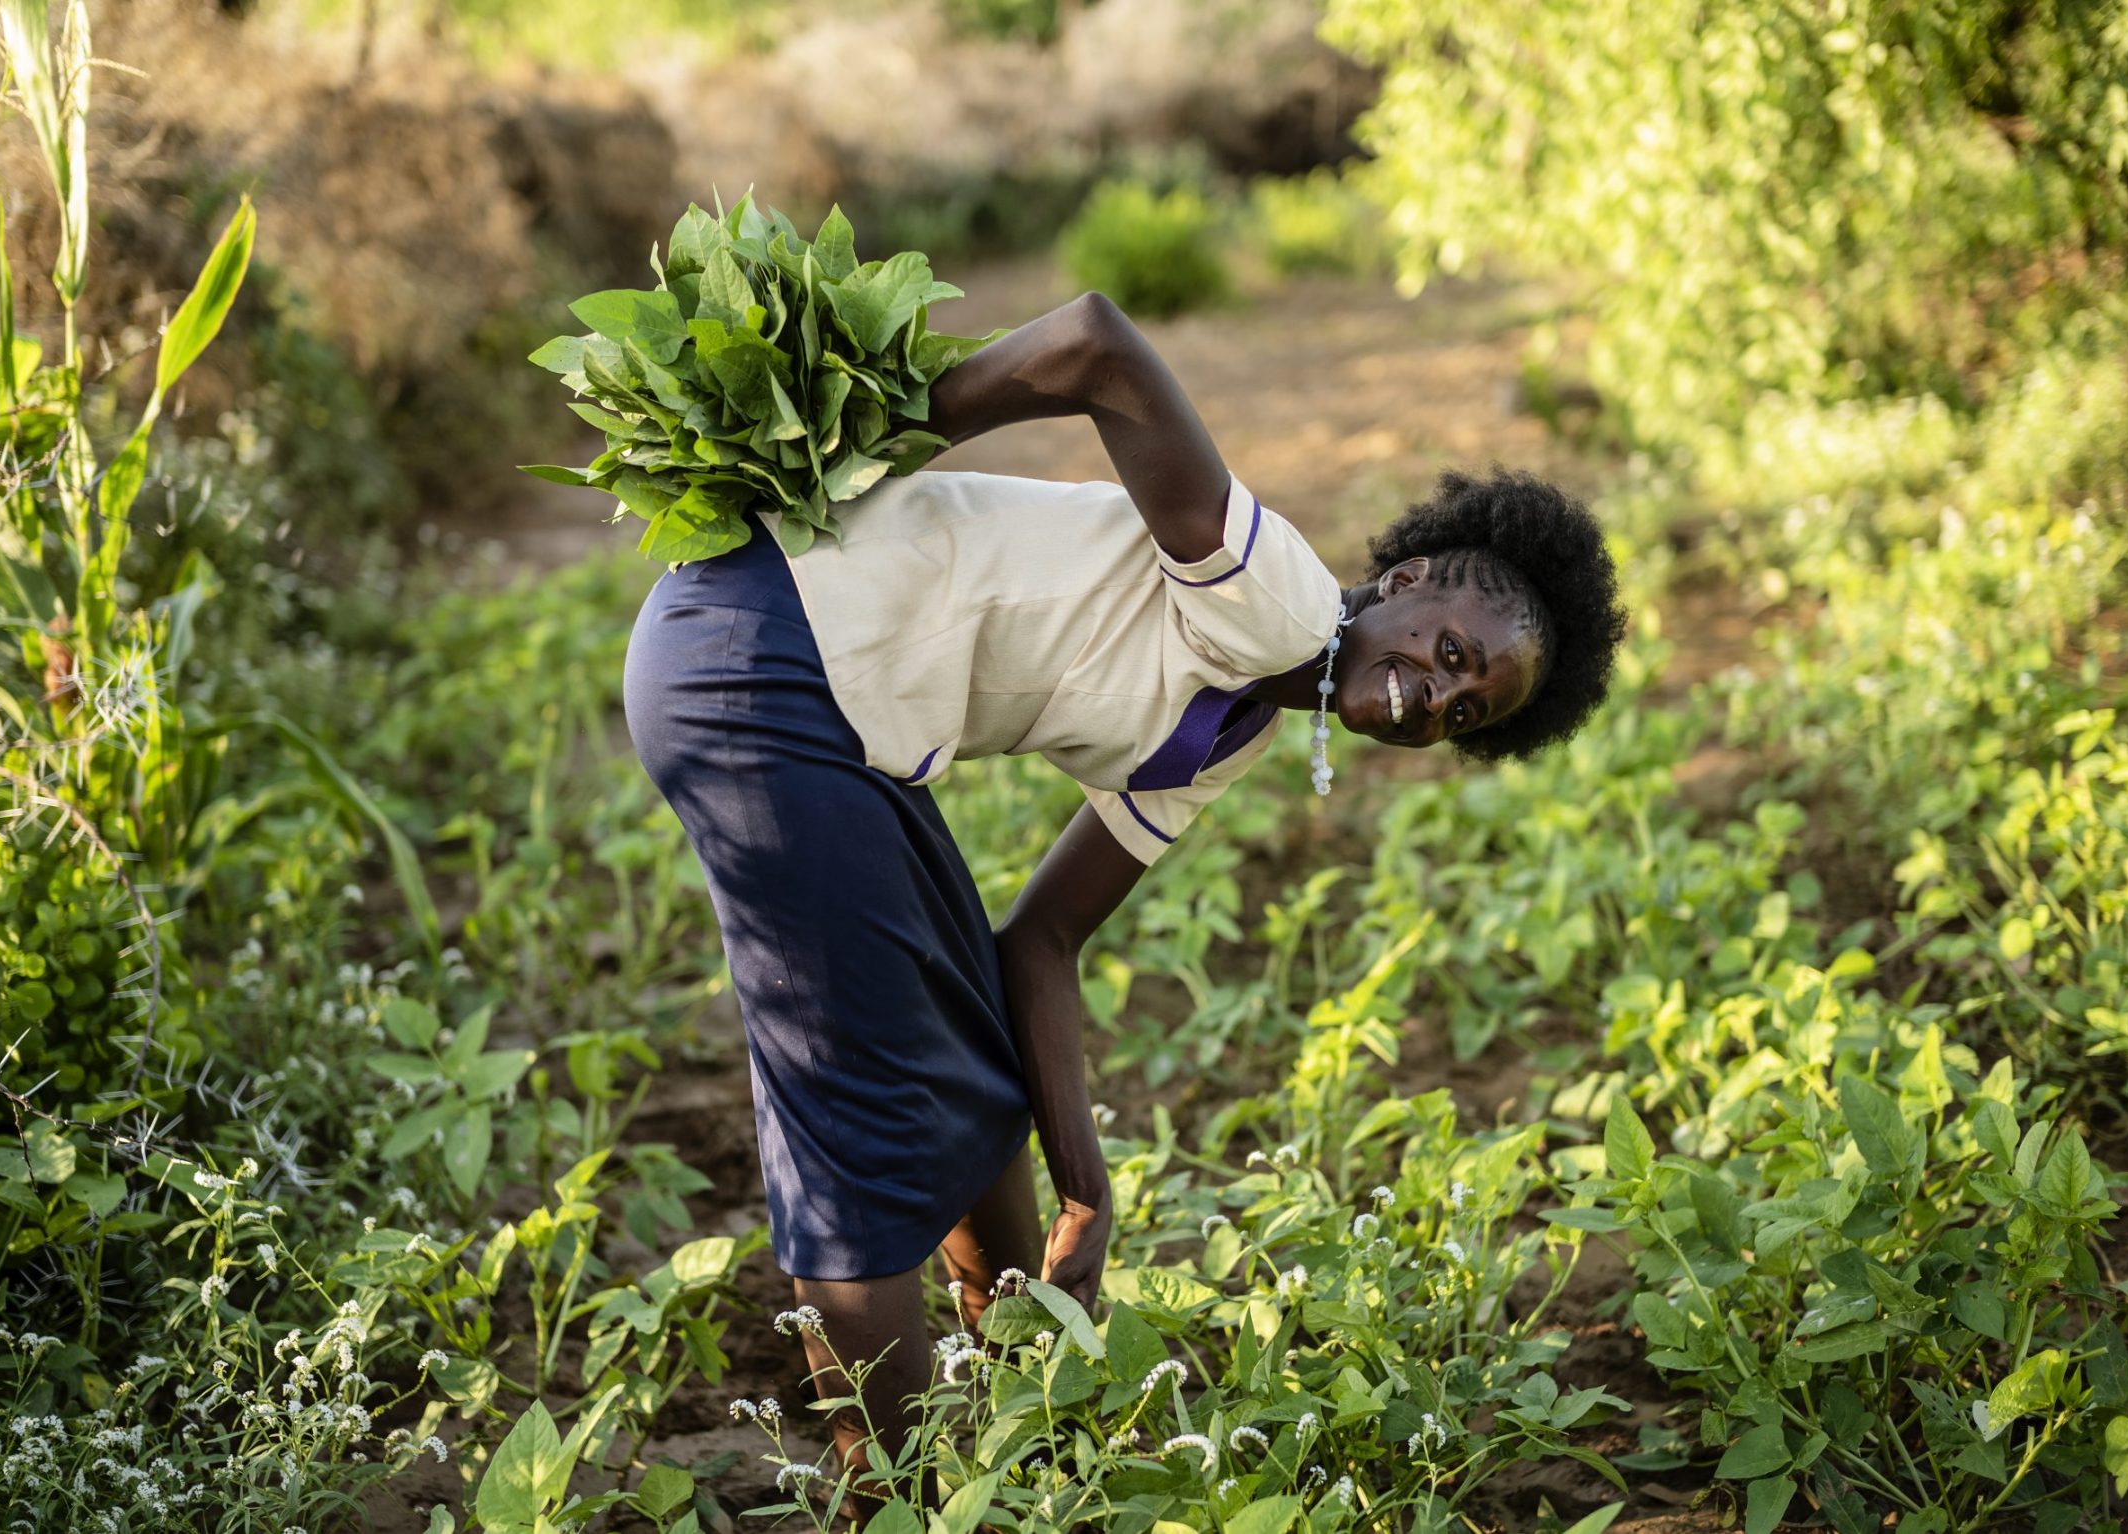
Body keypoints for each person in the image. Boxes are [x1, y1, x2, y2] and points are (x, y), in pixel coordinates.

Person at [620, 290, 1626, 1504]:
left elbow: (1041, 938)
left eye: (1464, 712)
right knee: (863, 1136)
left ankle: (1011, 1403)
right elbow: (1095, 343)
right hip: (761, 668)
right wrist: (866, 438)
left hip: (844, 717)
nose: (1433, 695)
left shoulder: (1240, 724)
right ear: (1406, 579)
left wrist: (1087, 1192)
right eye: (1449, 652)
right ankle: (897, 1503)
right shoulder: (1278, 596)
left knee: (979, 1056)